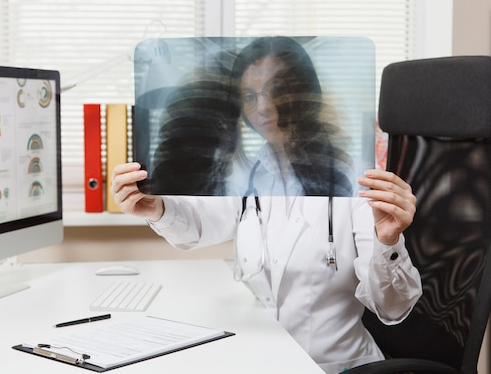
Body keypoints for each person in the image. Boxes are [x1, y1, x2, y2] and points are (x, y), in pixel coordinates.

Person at [111, 36, 422, 374]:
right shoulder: (248, 175)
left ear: (307, 92)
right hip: (261, 360)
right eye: (249, 95)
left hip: (335, 367)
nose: (263, 107)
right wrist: (154, 208)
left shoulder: (356, 184)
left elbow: (392, 309)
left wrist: (388, 241)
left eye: (279, 89)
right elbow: (198, 226)